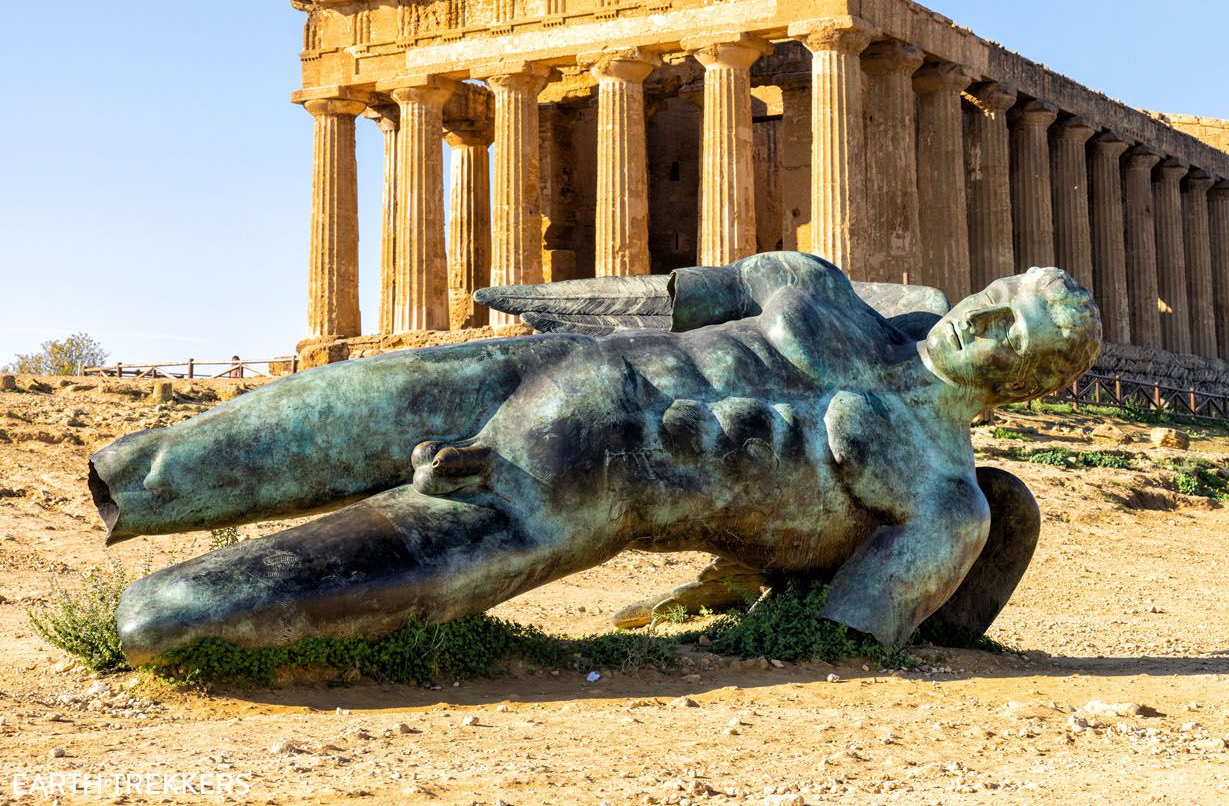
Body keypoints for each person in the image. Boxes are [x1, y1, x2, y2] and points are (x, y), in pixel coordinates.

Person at [90, 252, 1099, 663]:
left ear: (1035, 383)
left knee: (167, 622)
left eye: (1023, 340)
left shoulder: (947, 499)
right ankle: (130, 487)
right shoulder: (817, 286)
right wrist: (526, 299)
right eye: (1003, 300)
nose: (991, 324)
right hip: (553, 368)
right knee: (240, 436)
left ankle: (157, 621)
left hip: (575, 492)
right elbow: (661, 297)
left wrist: (700, 625)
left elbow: (834, 632)